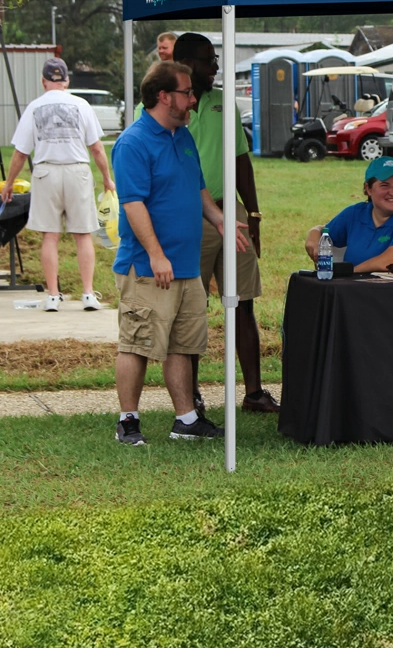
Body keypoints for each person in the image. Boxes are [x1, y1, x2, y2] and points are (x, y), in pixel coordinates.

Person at [111, 61, 248, 445]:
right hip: (148, 266)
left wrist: (219, 219)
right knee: (137, 342)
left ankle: (186, 419)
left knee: (183, 344)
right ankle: (128, 421)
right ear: (163, 96)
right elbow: (133, 203)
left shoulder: (182, 136)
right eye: (186, 93)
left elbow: (198, 187)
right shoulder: (133, 142)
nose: (192, 99)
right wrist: (156, 254)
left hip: (187, 264)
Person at [173, 33, 279, 414]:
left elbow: (240, 161)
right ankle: (193, 395)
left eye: (215, 59)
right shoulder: (165, 107)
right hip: (188, 217)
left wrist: (252, 214)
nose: (215, 66)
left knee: (243, 303)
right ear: (185, 63)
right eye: (207, 60)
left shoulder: (224, 104)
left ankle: (253, 393)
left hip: (229, 213)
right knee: (191, 308)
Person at [1, 57, 115, 312]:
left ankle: (53, 295)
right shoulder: (81, 104)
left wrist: (9, 184)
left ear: (43, 81)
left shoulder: (34, 107)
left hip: (45, 173)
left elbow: (20, 153)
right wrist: (107, 178)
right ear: (66, 81)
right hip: (77, 172)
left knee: (50, 236)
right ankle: (87, 293)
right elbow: (96, 148)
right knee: (83, 234)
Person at [304, 156, 393, 273]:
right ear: (368, 189)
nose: (392, 192)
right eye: (384, 185)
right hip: (356, 293)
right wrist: (313, 235)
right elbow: (322, 230)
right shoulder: (355, 213)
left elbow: (389, 262)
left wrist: (348, 274)